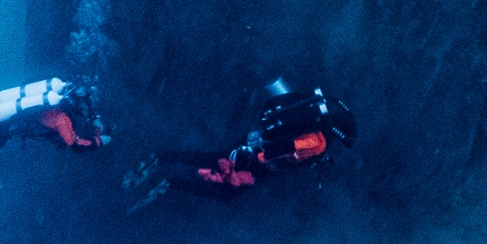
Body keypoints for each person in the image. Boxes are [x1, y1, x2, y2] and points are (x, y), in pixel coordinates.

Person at [149, 78, 357, 203]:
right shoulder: (317, 142)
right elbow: (288, 147)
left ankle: (163, 158)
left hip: (255, 142)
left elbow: (289, 143)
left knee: (213, 160)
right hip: (257, 161)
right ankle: (171, 181)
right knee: (225, 192)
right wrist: (259, 158)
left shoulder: (315, 126)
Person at [0, 74, 106, 153]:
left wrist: (94, 119)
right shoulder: (63, 119)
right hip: (9, 127)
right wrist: (98, 141)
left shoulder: (59, 89)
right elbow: (74, 144)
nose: (86, 110)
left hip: (7, 107)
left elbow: (85, 105)